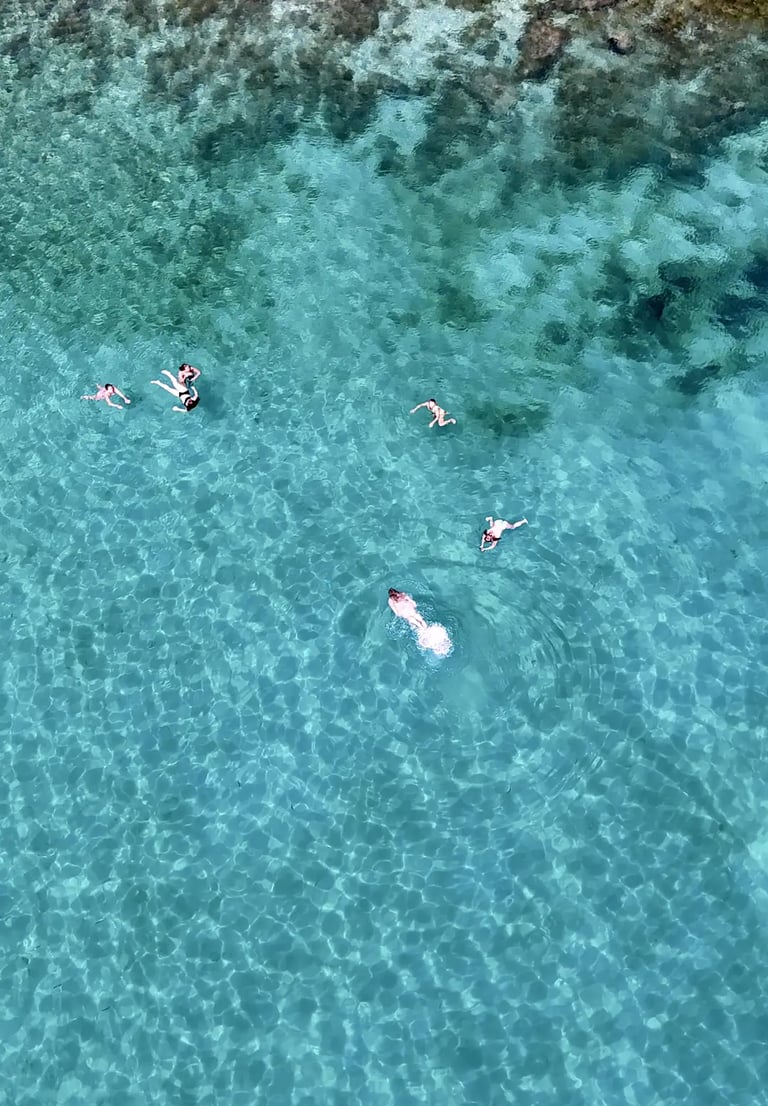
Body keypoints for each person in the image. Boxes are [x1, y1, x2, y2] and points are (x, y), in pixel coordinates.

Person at [388, 588, 452, 657]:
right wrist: (411, 604)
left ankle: (425, 633)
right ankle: (427, 631)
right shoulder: (402, 595)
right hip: (410, 610)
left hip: (406, 613)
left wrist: (401, 612)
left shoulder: (392, 600)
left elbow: (397, 613)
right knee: (421, 621)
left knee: (417, 623)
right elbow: (413, 603)